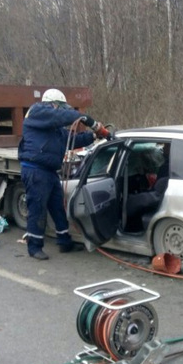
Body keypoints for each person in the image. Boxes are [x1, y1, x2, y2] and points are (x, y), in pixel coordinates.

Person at [18, 88, 108, 260]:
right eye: (61, 107)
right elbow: (63, 116)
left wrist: (94, 136)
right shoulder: (37, 112)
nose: (63, 111)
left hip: (49, 171)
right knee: (37, 208)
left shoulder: (54, 129)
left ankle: (64, 241)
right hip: (35, 169)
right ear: (53, 104)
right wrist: (90, 121)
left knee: (58, 207)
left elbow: (72, 139)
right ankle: (34, 247)